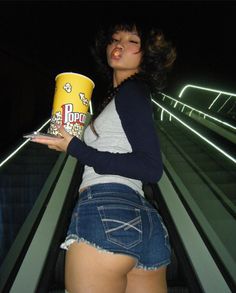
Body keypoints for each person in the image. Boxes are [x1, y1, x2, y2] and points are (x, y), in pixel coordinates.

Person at [32, 20, 176, 293]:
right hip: (146, 223)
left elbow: (151, 167)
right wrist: (69, 142)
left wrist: (75, 147)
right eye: (114, 39)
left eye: (132, 41)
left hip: (106, 209)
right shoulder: (119, 96)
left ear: (147, 56)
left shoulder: (132, 92)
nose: (119, 44)